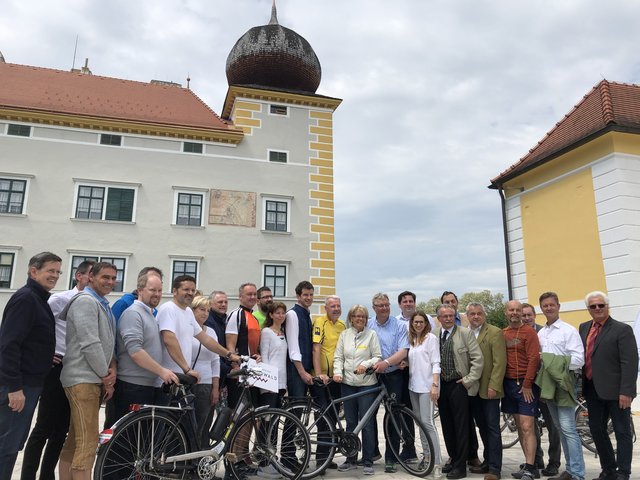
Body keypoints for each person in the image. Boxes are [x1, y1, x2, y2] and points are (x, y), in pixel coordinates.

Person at [20, 260, 93, 480]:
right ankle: (27, 475)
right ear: (78, 276)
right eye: (90, 274)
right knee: (43, 427)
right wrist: (45, 352)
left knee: (61, 430)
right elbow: (37, 327)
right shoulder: (58, 300)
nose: (93, 279)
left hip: (76, 371)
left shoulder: (93, 303)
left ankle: (47, 475)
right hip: (56, 369)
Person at [0, 251, 62, 480]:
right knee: (6, 447)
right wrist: (14, 388)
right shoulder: (26, 299)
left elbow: (29, 340)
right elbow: (8, 345)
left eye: (57, 272)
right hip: (18, 388)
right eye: (50, 271)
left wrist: (46, 357)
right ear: (33, 271)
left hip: (30, 385)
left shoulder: (38, 299)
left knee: (12, 445)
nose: (55, 276)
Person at [58, 262, 118, 480]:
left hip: (90, 378)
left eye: (113, 277)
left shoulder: (100, 303)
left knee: (75, 440)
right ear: (90, 277)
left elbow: (105, 342)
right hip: (83, 379)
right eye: (105, 277)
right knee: (88, 441)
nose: (110, 282)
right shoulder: (85, 301)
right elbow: (90, 343)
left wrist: (109, 371)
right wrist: (106, 375)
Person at [579, 291, 638, 480]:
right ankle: (608, 469)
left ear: (607, 306)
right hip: (592, 389)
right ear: (588, 309)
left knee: (622, 431)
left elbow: (630, 362)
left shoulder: (622, 329)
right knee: (596, 430)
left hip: (616, 391)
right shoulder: (584, 327)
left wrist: (627, 391)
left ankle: (623, 472)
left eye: (600, 305)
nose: (597, 309)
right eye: (593, 306)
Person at [113, 272, 179, 422]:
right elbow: (135, 351)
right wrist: (162, 371)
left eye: (160, 290)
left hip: (146, 386)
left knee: (141, 439)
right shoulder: (133, 314)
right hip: (132, 386)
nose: (157, 294)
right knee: (126, 440)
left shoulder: (150, 314)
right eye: (152, 290)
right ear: (140, 290)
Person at [536, 292, 585, 480]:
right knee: (559, 428)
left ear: (558, 306)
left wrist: (550, 361)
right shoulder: (542, 333)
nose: (548, 308)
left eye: (551, 305)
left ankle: (578, 474)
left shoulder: (568, 330)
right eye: (545, 306)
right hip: (548, 386)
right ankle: (571, 470)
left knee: (568, 429)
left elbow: (579, 360)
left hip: (564, 384)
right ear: (542, 308)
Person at [159, 275, 239, 382]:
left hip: (181, 376)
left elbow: (205, 339)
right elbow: (169, 340)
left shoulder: (188, 312)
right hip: (167, 376)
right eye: (186, 289)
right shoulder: (168, 308)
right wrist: (187, 369)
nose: (190, 293)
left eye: (193, 290)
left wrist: (229, 354)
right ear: (174, 291)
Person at [435, 303, 483, 480]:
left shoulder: (465, 333)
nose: (448, 319)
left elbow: (478, 359)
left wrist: (468, 380)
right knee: (447, 424)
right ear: (439, 318)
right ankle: (454, 458)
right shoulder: (433, 336)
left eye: (451, 316)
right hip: (442, 385)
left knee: (461, 425)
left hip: (459, 384)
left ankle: (461, 466)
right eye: (444, 316)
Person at [333, 305, 381, 476]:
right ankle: (350, 458)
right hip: (347, 384)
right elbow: (338, 357)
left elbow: (377, 356)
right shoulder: (344, 335)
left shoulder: (371, 334)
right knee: (351, 422)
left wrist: (365, 364)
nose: (360, 319)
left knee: (367, 423)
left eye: (363, 316)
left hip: (367, 384)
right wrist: (338, 373)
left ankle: (368, 460)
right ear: (351, 317)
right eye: (357, 316)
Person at [368, 292, 411, 472]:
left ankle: (391, 457)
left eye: (386, 305)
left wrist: (386, 363)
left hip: (393, 375)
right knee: (369, 415)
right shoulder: (368, 324)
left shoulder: (400, 325)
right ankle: (371, 453)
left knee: (393, 416)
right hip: (372, 376)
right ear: (374, 308)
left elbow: (403, 351)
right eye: (380, 305)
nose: (384, 308)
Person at [466, 303, 506, 480]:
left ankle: (495, 468)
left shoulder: (495, 332)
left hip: (488, 388)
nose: (476, 317)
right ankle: (487, 461)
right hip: (472, 388)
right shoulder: (465, 332)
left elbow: (499, 362)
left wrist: (494, 386)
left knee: (492, 428)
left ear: (484, 315)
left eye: (479, 313)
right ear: (467, 315)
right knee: (481, 427)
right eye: (472, 314)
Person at [501, 300, 540, 480]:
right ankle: (527, 464)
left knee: (527, 426)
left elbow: (534, 359)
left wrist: (527, 384)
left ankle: (532, 467)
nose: (515, 313)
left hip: (525, 385)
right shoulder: (503, 333)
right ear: (506, 312)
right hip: (508, 384)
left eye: (518, 310)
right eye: (511, 310)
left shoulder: (529, 332)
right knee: (519, 426)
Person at [522, 302, 560, 476]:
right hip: (528, 386)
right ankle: (536, 460)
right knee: (530, 425)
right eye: (523, 315)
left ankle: (554, 462)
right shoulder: (519, 333)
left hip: (545, 384)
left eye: (529, 314)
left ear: (534, 315)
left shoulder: (543, 333)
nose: (526, 318)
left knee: (553, 425)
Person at [312, 295, 345, 469]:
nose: (336, 309)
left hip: (336, 379)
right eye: (333, 306)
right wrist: (318, 374)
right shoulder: (320, 322)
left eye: (338, 306)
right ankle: (320, 460)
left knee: (333, 418)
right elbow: (316, 348)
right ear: (326, 308)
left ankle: (328, 457)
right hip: (322, 379)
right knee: (323, 418)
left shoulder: (342, 325)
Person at [407, 311, 441, 475]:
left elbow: (436, 362)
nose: (418, 324)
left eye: (421, 322)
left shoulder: (430, 339)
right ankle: (427, 456)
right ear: (412, 323)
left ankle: (437, 462)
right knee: (420, 424)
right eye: (416, 322)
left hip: (427, 387)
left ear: (426, 323)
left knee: (428, 424)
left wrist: (435, 385)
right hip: (413, 387)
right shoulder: (413, 340)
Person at [190, 295, 220, 448]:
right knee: (186, 424)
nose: (205, 314)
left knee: (202, 424)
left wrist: (215, 388)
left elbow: (215, 361)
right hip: (188, 381)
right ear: (192, 310)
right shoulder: (186, 329)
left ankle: (196, 461)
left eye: (208, 311)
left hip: (206, 384)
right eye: (202, 310)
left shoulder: (211, 332)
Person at [225, 283, 261, 409]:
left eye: (254, 294)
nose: (252, 297)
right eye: (249, 294)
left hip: (251, 372)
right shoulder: (236, 315)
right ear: (240, 297)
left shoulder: (254, 318)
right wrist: (235, 367)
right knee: (239, 414)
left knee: (251, 413)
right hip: (239, 372)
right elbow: (230, 344)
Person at [285, 281, 315, 398]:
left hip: (306, 367)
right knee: (296, 407)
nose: (309, 298)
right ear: (298, 296)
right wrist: (302, 372)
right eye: (305, 295)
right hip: (296, 369)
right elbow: (293, 347)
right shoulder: (292, 314)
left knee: (301, 406)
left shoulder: (308, 314)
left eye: (311, 295)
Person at [260, 302, 288, 408]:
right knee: (268, 416)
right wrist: (269, 380)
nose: (281, 315)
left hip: (282, 378)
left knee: (276, 415)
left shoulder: (283, 332)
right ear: (271, 315)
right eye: (277, 313)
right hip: (270, 378)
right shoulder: (266, 332)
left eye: (283, 313)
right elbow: (264, 355)